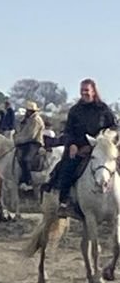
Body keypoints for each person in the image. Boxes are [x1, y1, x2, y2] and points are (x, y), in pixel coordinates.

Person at [47, 79, 118, 217]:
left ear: (93, 91)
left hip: (102, 147)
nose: (84, 93)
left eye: (86, 90)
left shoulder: (103, 109)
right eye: (82, 90)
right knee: (66, 168)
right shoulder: (75, 110)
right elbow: (68, 131)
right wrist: (72, 144)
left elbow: (115, 126)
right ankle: (64, 203)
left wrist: (105, 138)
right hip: (80, 147)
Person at [14, 101, 45, 192]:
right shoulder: (26, 120)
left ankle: (28, 181)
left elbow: (31, 135)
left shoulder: (36, 120)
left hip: (34, 142)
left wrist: (18, 141)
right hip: (26, 141)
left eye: (28, 110)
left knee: (26, 159)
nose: (27, 112)